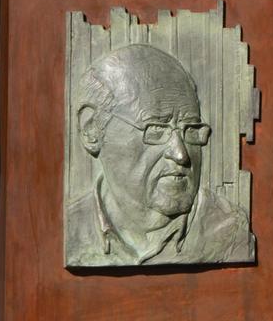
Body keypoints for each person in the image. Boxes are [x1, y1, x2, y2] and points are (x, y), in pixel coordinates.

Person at [65, 43, 254, 267]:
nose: (181, 154)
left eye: (191, 129)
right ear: (92, 130)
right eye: (156, 129)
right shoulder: (67, 228)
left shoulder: (229, 231)